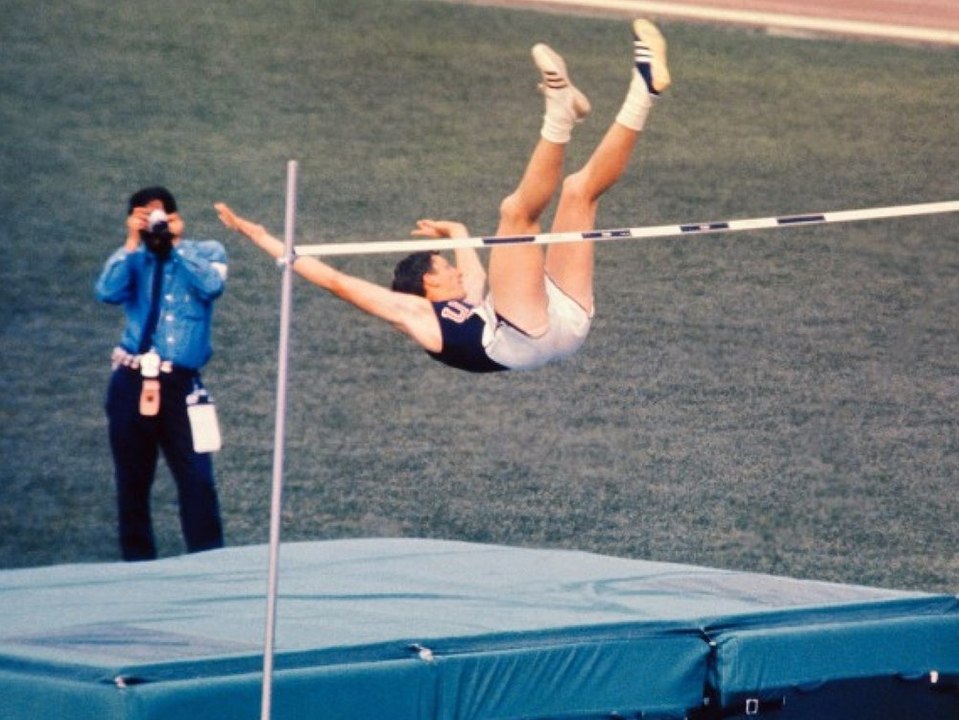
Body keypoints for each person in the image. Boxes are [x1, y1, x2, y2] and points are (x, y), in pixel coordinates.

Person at [216, 19, 670, 373]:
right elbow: (337, 282)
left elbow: (473, 258)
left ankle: (642, 89)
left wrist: (457, 232)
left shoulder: (467, 299)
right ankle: (558, 113)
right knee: (516, 214)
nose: (455, 272)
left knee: (580, 191)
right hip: (525, 334)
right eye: (445, 269)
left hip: (559, 324)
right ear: (428, 285)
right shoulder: (416, 314)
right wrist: (265, 239)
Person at [95, 186, 227, 561]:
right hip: (131, 382)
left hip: (182, 385)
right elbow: (106, 291)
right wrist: (132, 241)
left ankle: (208, 563)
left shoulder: (205, 252)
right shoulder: (134, 258)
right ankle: (137, 567)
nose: (157, 222)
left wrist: (177, 243)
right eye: (147, 215)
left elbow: (212, 286)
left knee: (198, 480)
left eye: (163, 214)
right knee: (132, 483)